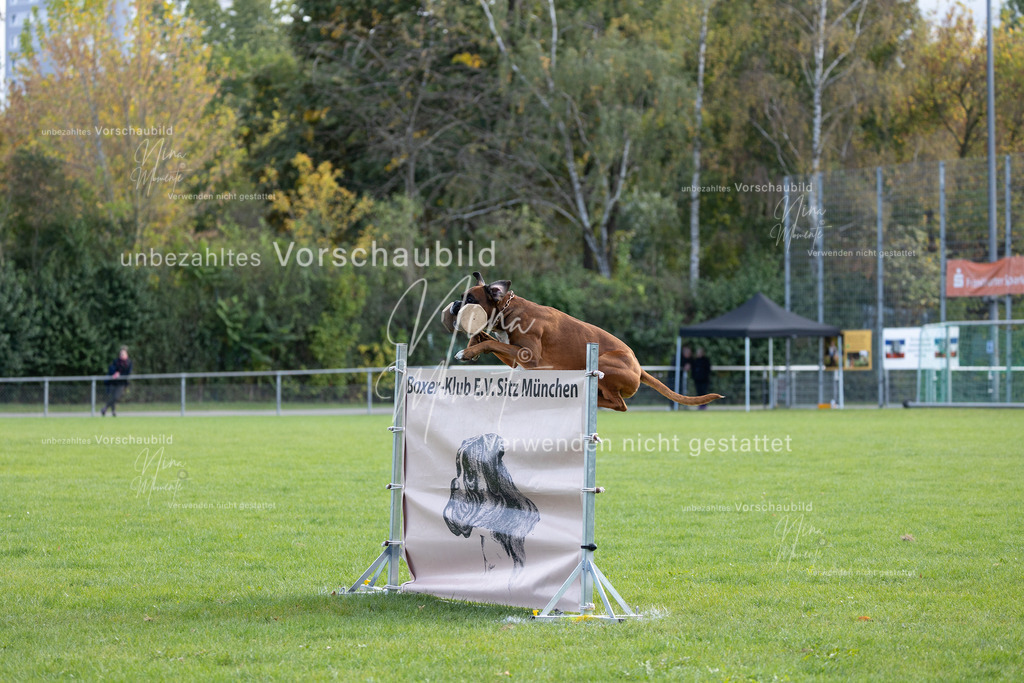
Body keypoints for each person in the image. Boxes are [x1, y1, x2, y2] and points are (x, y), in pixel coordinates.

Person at [101, 346, 133, 416]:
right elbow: (111, 369)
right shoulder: (116, 361)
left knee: (116, 397)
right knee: (112, 397)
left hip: (121, 383)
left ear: (126, 355)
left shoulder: (129, 363)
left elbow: (128, 372)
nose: (121, 355)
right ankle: (113, 411)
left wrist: (120, 374)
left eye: (123, 354)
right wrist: (115, 373)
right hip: (114, 381)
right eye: (121, 354)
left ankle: (105, 408)